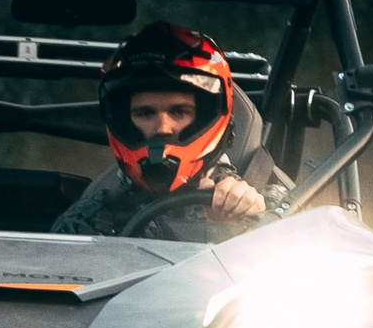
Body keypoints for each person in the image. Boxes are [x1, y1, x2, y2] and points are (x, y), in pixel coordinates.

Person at [53, 20, 294, 238]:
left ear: (205, 117)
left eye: (179, 112)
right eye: (145, 113)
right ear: (124, 121)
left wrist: (242, 229)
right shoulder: (88, 221)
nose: (163, 128)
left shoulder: (272, 206)